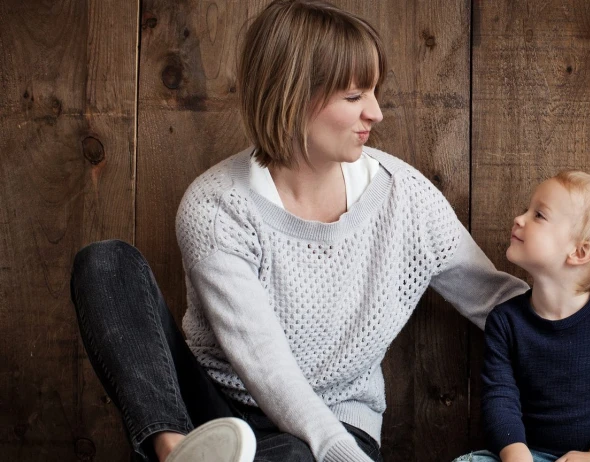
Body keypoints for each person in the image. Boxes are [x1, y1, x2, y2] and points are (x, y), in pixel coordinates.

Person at [69, 1, 528, 461]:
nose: (376, 113)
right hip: (213, 416)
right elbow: (262, 362)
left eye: (372, 92)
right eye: (354, 97)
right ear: (291, 95)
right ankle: (175, 453)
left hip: (334, 424)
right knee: (105, 263)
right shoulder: (216, 206)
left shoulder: (404, 196)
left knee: (289, 454)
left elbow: (496, 302)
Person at [454, 172, 590, 462]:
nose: (519, 218)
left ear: (579, 252)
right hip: (530, 454)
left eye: (538, 215)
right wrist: (516, 454)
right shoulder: (505, 321)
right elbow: (500, 397)